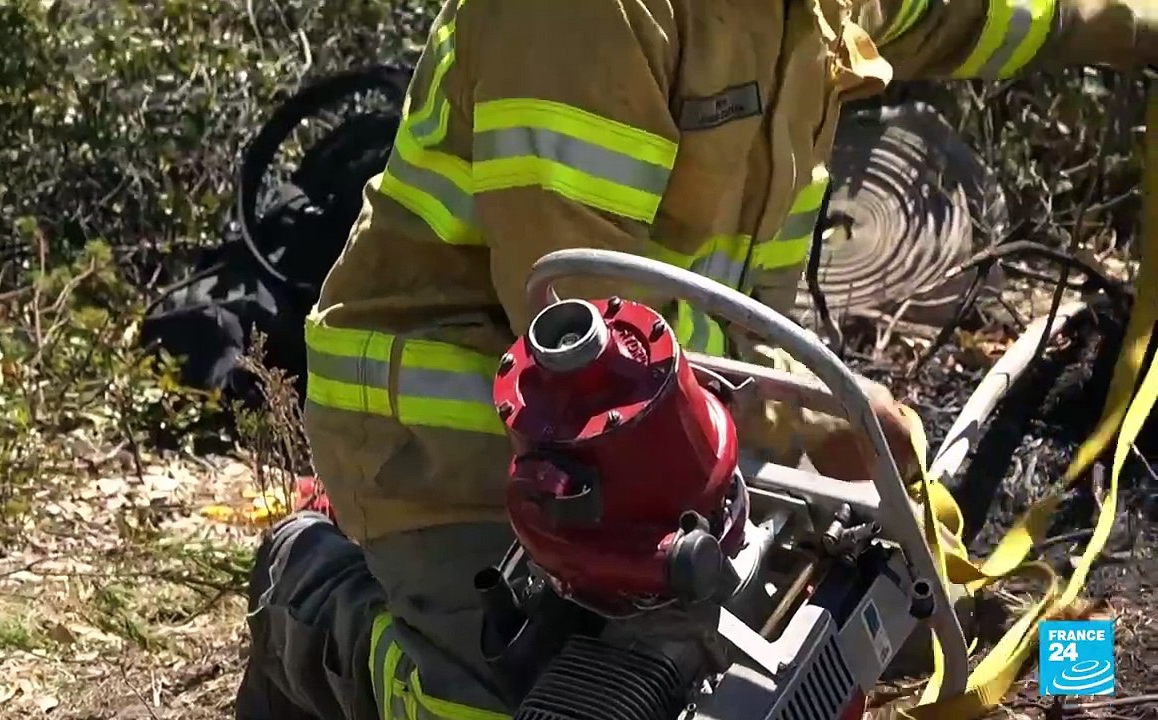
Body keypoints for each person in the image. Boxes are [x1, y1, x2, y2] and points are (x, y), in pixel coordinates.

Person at [236, 1, 1158, 718]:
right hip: (467, 444)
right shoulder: (580, 18)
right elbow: (580, 326)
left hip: (687, 424)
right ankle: (313, 597)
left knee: (896, 629)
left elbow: (980, 13)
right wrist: (813, 412)